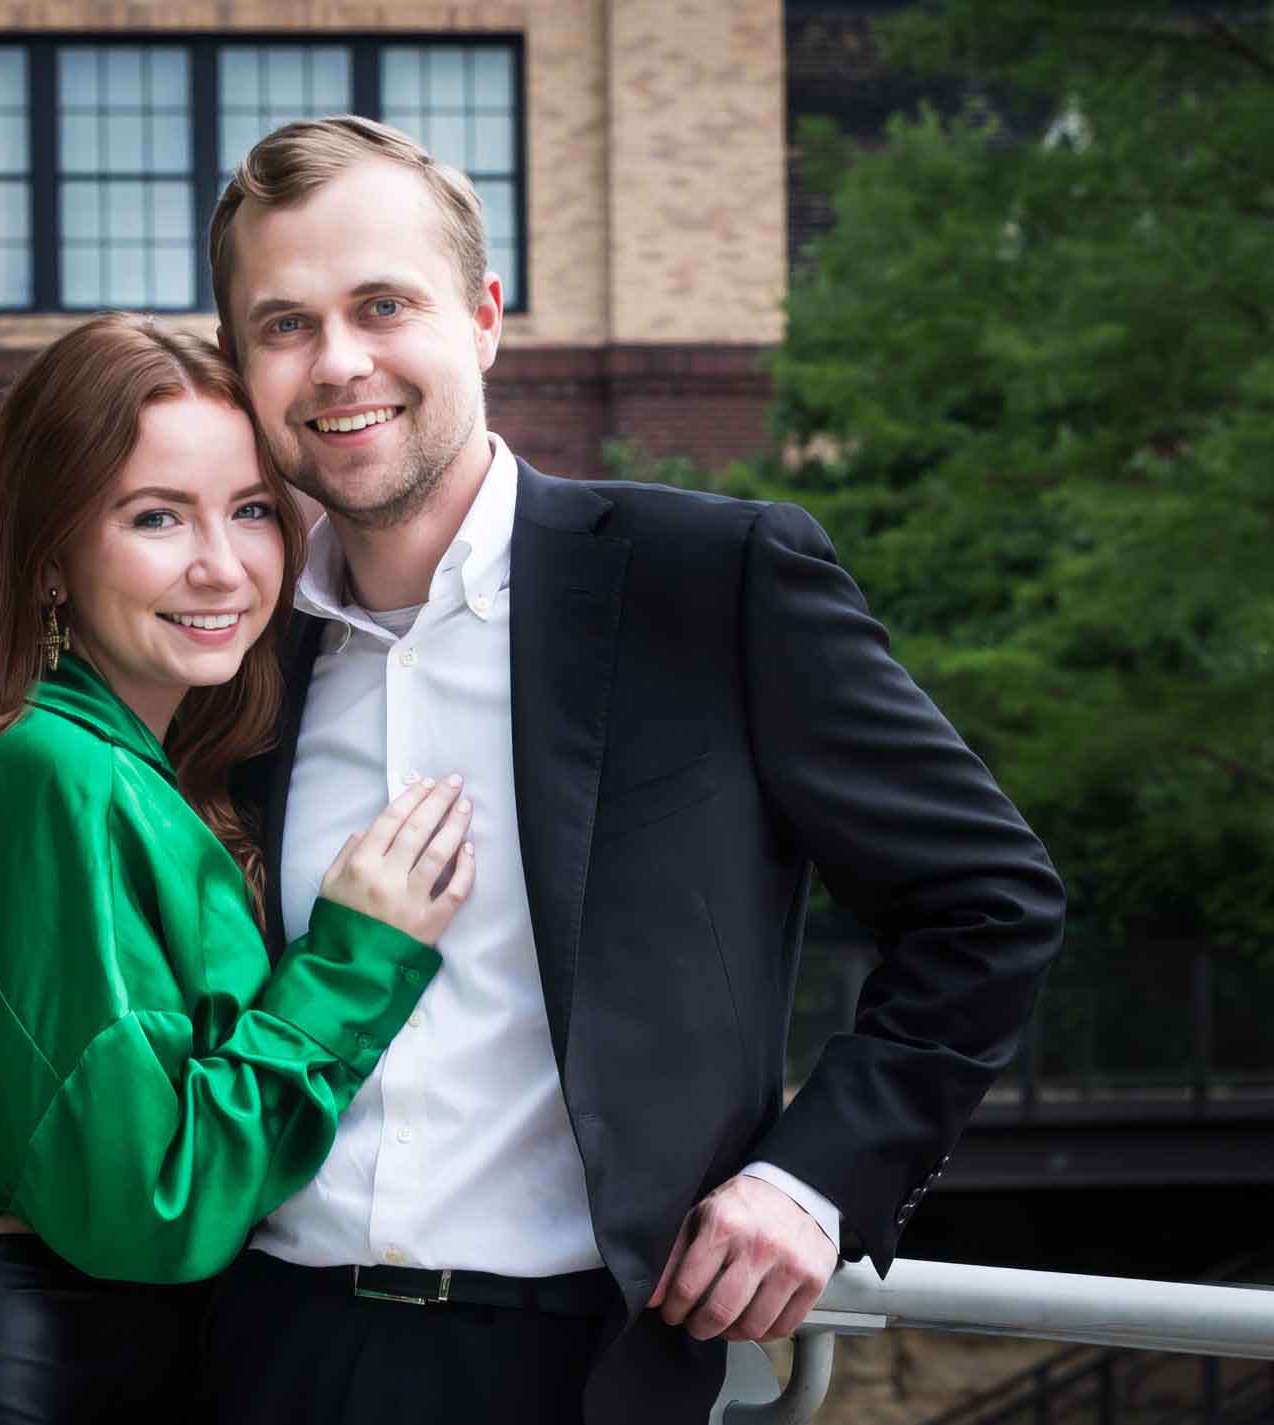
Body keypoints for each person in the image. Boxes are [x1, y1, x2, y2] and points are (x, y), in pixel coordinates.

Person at [200, 117, 1068, 1425]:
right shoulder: (233, 655)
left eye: (384, 304)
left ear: (484, 316)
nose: (339, 362)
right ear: (240, 363)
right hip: (250, 1357)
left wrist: (814, 1176)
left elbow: (989, 899)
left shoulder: (708, 582)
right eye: (284, 324)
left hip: (586, 1366)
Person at [0, 312, 477, 1425]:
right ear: (49, 552)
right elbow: (145, 1203)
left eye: (251, 510)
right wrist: (356, 960)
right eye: (156, 517)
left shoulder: (126, 771)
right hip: (21, 1361)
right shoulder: (49, 770)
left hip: (84, 1347)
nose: (221, 565)